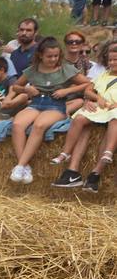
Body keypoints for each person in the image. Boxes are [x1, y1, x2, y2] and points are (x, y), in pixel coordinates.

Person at [7, 38, 86, 185]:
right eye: (49, 56)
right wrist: (26, 89)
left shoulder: (65, 68)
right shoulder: (33, 69)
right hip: (36, 103)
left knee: (39, 125)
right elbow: (16, 87)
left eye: (56, 56)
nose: (53, 59)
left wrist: (67, 90)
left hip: (56, 105)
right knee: (17, 124)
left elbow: (88, 83)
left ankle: (20, 165)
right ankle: (25, 166)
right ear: (40, 55)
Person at [49, 41, 117, 192]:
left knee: (115, 119)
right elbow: (89, 90)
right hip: (102, 107)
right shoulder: (104, 74)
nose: (112, 62)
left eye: (115, 59)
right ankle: (65, 155)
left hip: (114, 111)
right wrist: (94, 99)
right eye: (110, 59)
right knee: (80, 119)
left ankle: (102, 162)